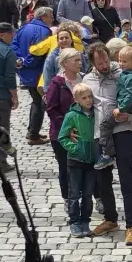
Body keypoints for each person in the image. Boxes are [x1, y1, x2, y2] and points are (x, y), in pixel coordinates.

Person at [83, 43, 132, 243]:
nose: (103, 65)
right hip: (99, 135)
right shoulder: (87, 79)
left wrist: (130, 114)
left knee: (127, 179)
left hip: (123, 131)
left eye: (105, 61)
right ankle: (110, 219)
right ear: (92, 62)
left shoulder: (123, 74)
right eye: (99, 62)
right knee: (102, 181)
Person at [58, 82, 100, 238]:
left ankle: (85, 221)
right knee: (74, 193)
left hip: (91, 161)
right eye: (84, 98)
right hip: (75, 161)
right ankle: (74, 221)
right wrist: (77, 149)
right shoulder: (72, 116)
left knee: (88, 194)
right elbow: (62, 137)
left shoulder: (96, 113)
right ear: (76, 100)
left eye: (90, 97)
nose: (88, 100)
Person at [45, 48, 84, 206]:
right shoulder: (57, 83)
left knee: (83, 165)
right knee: (65, 166)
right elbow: (51, 109)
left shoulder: (83, 79)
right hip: (62, 134)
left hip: (83, 132)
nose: (80, 63)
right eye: (76, 60)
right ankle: (68, 198)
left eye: (80, 60)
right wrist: (67, 129)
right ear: (65, 63)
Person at [14, 7, 57, 145]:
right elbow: (38, 54)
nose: (52, 19)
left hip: (25, 70)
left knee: (36, 101)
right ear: (43, 17)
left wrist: (19, 60)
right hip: (37, 72)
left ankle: (33, 131)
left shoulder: (24, 27)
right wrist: (26, 62)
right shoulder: (44, 31)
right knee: (39, 103)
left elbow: (14, 45)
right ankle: (33, 134)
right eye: (50, 16)